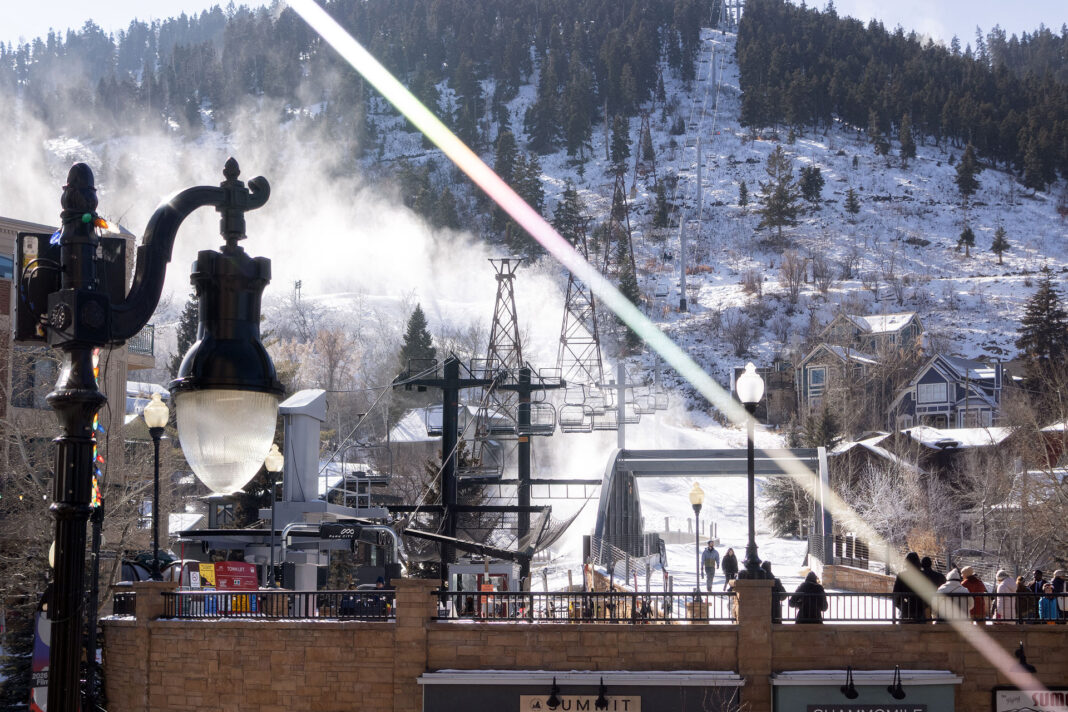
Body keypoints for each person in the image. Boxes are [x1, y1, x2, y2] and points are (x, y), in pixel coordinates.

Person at [893, 552, 925, 623]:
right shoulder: (924, 576)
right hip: (919, 612)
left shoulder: (901, 575)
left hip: (905, 611)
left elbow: (895, 595)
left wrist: (901, 606)